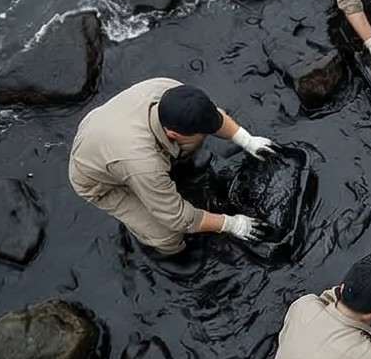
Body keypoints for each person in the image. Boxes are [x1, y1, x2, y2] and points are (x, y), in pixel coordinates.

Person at [68, 78, 276, 256]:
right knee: (168, 235)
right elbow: (178, 219)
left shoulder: (171, 92)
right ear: (172, 134)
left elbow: (212, 116)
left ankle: (161, 180)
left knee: (194, 138)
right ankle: (165, 255)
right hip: (97, 180)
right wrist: (231, 224)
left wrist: (246, 140)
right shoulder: (143, 163)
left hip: (106, 129)